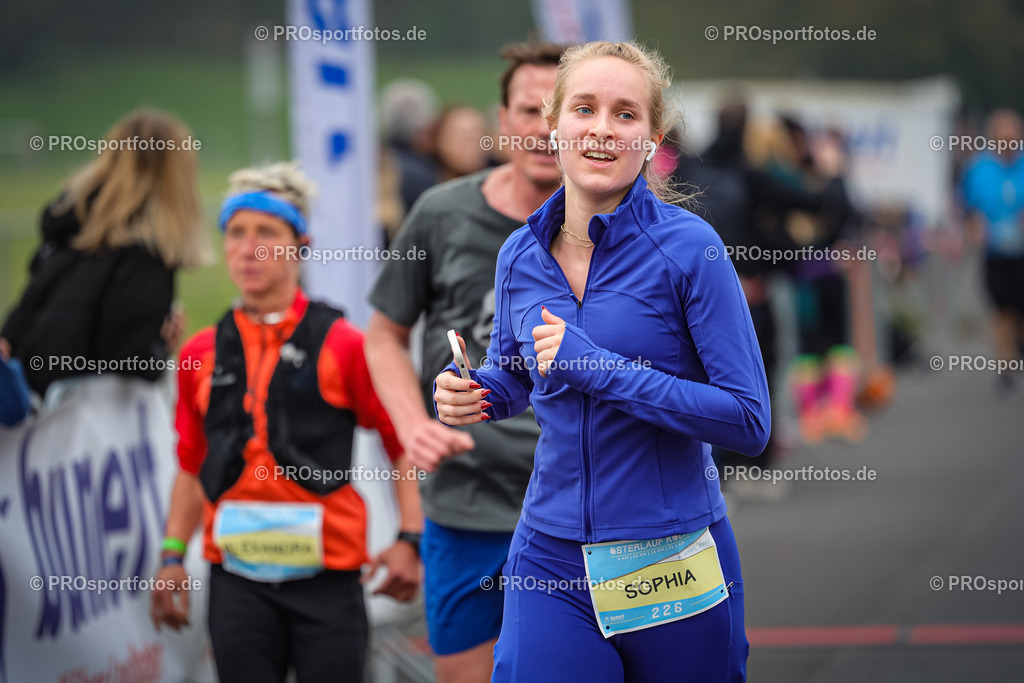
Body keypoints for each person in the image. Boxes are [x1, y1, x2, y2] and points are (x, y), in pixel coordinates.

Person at [433, 42, 770, 682]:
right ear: (552, 125)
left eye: (625, 114)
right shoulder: (519, 255)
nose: (601, 130)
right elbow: (517, 372)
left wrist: (600, 368)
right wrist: (474, 391)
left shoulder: (690, 248)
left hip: (671, 554)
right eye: (584, 109)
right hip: (550, 557)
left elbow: (748, 421)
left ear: (651, 138)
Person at [150, 163, 421, 683]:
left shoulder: (345, 344)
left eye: (267, 234)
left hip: (329, 583)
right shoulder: (199, 353)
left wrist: (410, 539)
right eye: (236, 234)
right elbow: (190, 464)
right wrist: (171, 556)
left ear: (301, 244)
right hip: (236, 585)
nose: (249, 249)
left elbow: (402, 443)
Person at [366, 41, 564, 683]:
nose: (544, 128)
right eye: (529, 110)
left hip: (580, 505)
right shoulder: (442, 214)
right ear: (501, 121)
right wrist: (411, 424)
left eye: (561, 111)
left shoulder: (618, 226)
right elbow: (382, 335)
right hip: (465, 507)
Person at [1, 108, 205, 397]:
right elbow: (130, 360)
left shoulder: (67, 232)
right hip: (75, 426)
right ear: (175, 178)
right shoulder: (145, 254)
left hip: (25, 408)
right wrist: (159, 347)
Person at [962, 108, 1024, 392]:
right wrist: (975, 226)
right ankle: (1006, 364)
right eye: (1003, 137)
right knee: (1001, 309)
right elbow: (967, 208)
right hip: (995, 252)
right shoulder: (979, 169)